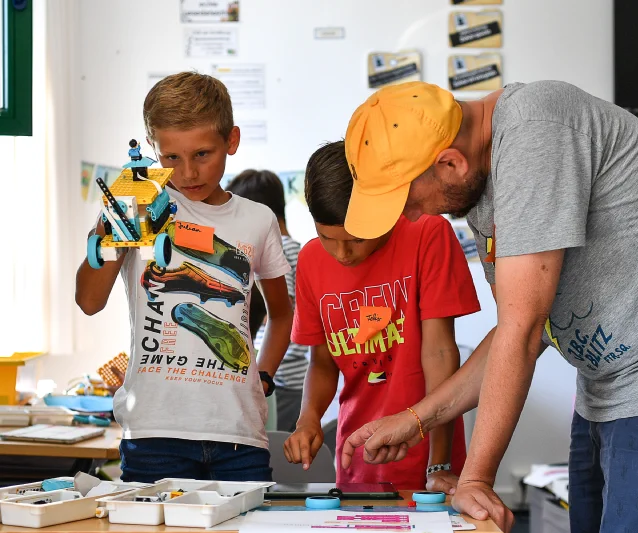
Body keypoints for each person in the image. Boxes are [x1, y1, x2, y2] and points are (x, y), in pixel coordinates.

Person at [337, 81, 638, 532]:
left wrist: (476, 477)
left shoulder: (535, 134)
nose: (414, 217)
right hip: (612, 381)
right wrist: (416, 420)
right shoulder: (486, 175)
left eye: (410, 202)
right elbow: (523, 328)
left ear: (450, 162)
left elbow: (523, 331)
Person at [75, 72, 293, 483]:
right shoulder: (137, 207)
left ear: (232, 141)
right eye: (171, 158)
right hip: (155, 431)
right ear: (154, 150)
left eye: (203, 154)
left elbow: (282, 313)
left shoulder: (257, 219)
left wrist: (263, 374)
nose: (188, 173)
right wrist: (108, 232)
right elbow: (89, 301)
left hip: (238, 434)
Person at [283, 140, 480, 492]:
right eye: (327, 237)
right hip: (356, 459)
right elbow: (324, 363)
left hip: (430, 457)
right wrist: (308, 419)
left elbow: (440, 353)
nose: (342, 253)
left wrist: (440, 463)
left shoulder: (427, 233)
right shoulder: (312, 260)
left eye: (356, 239)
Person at [226, 169, 309, 432]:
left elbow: (282, 311)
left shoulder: (281, 249)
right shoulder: (296, 247)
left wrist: (264, 373)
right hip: (289, 378)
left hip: (280, 378)